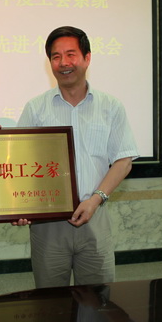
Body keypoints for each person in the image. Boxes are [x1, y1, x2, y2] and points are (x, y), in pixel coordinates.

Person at [13, 25, 139, 288]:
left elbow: (123, 160)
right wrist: (19, 207)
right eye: (56, 56)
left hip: (95, 216)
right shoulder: (36, 109)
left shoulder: (110, 106)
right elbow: (18, 163)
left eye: (71, 54)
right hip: (48, 225)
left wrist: (96, 199)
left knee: (98, 299)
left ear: (87, 58)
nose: (63, 63)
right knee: (51, 301)